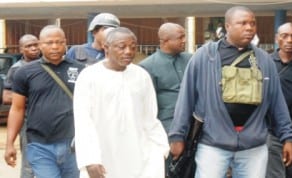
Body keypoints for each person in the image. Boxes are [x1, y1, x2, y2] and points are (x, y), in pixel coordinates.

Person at [168, 6, 292, 178]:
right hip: (212, 145)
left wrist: (288, 137)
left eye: (253, 23)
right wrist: (178, 136)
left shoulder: (264, 60)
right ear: (228, 26)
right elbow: (186, 99)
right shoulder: (204, 57)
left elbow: (277, 103)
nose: (249, 28)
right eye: (242, 23)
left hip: (254, 148)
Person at [73, 27, 169, 178]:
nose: (128, 51)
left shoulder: (141, 75)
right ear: (106, 48)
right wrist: (90, 159)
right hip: (103, 156)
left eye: (132, 47)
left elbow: (150, 117)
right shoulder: (89, 77)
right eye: (122, 47)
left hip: (140, 156)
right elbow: (83, 121)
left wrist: (160, 149)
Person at [4, 25, 84, 178]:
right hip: (40, 145)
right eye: (49, 43)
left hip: (74, 145)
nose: (54, 46)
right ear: (40, 44)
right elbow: (17, 109)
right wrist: (9, 144)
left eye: (59, 42)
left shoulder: (80, 69)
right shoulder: (24, 72)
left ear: (65, 43)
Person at [139, 22, 192, 132]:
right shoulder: (148, 66)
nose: (184, 40)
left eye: (184, 36)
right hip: (167, 125)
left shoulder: (191, 60)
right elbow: (147, 102)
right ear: (165, 41)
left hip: (195, 120)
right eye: (180, 37)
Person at [2, 34, 40, 178]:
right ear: (21, 49)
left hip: (49, 121)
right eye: (29, 46)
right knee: (29, 161)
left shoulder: (46, 64)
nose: (33, 48)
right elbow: (6, 96)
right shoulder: (17, 69)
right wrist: (33, 97)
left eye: (35, 45)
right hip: (27, 121)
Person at [266, 23, 292, 178]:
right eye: (285, 36)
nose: (290, 40)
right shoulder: (264, 63)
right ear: (276, 39)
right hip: (271, 134)